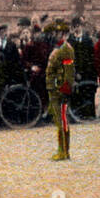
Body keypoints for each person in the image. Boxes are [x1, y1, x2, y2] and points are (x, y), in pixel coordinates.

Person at [44, 21, 76, 160]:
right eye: (56, 33)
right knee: (58, 120)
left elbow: (69, 73)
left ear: (65, 34)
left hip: (60, 90)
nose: (57, 36)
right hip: (54, 88)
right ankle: (61, 149)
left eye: (60, 34)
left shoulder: (66, 49)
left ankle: (65, 151)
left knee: (62, 120)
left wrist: (65, 89)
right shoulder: (58, 48)